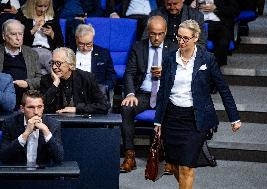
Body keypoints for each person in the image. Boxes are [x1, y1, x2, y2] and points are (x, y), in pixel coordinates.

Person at [154, 19, 241, 189]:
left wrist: (234, 117)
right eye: (179, 37)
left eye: (186, 38)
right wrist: (158, 121)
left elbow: (223, 88)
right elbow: (163, 92)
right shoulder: (170, 58)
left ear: (196, 37)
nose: (181, 41)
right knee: (175, 165)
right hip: (172, 118)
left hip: (196, 119)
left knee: (187, 167)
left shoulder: (207, 59)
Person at [120, 15, 177, 173]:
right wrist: (130, 93)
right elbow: (129, 73)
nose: (156, 38)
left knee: (175, 110)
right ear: (148, 32)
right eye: (153, 33)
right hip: (144, 93)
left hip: (166, 94)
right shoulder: (138, 47)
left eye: (160, 34)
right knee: (126, 108)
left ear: (165, 32)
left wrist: (165, 73)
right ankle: (129, 156)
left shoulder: (174, 49)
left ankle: (169, 158)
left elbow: (181, 75)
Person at [0, 90, 64, 165]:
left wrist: (46, 132)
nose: (36, 112)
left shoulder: (53, 124)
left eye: (39, 107)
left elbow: (59, 158)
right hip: (18, 173)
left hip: (43, 174)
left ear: (43, 107)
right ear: (22, 109)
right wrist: (25, 134)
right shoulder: (10, 124)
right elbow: (4, 157)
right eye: (31, 107)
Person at [40, 47, 110, 114]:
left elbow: (104, 106)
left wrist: (77, 109)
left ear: (71, 65)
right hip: (56, 123)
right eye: (52, 63)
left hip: (81, 122)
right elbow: (41, 107)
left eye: (58, 63)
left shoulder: (87, 78)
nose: (54, 67)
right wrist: (55, 85)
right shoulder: (46, 80)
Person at [0, 19, 42, 107]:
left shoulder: (32, 53)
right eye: (13, 34)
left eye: (20, 34)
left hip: (27, 101)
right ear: (4, 36)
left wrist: (27, 83)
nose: (18, 38)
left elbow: (40, 79)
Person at [17, 0, 64, 74]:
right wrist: (32, 31)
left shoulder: (52, 16)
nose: (43, 10)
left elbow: (61, 43)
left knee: (43, 72)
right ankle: (57, 79)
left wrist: (52, 34)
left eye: (46, 6)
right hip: (29, 51)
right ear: (32, 5)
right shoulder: (23, 14)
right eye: (40, 6)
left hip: (48, 50)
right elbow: (17, 40)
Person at [191, 0, 239, 66]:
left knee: (222, 40)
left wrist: (216, 8)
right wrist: (190, 7)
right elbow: (177, 8)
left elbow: (235, 11)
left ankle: (215, 67)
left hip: (219, 24)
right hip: (197, 24)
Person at [75, 24, 116, 91]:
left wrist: (103, 87)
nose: (85, 48)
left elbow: (111, 77)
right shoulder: (68, 52)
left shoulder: (103, 53)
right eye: (81, 44)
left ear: (93, 39)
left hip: (96, 92)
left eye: (88, 44)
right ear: (76, 39)